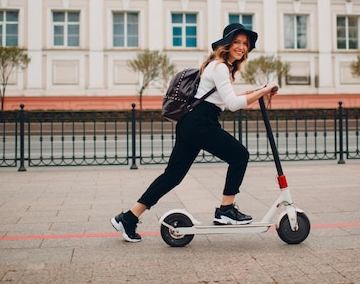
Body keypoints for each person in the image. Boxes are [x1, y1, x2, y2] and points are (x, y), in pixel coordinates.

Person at [111, 23, 279, 242]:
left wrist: (254, 92)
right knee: (239, 156)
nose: (241, 47)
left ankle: (128, 217)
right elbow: (233, 103)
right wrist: (265, 90)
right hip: (200, 123)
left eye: (245, 44)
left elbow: (223, 99)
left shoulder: (220, 67)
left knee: (173, 176)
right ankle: (226, 211)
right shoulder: (220, 67)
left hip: (192, 122)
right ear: (226, 44)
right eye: (237, 42)